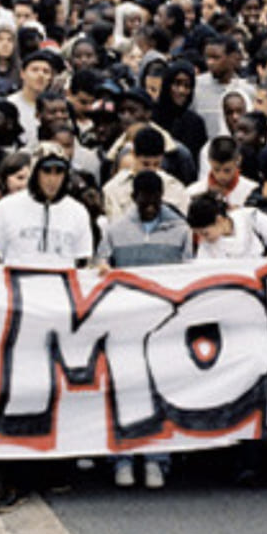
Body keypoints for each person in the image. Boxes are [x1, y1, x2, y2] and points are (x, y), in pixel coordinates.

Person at [95, 170, 194, 490]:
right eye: (143, 200)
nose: (149, 206)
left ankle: (156, 459)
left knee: (159, 391)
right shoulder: (116, 230)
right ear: (133, 198)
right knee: (124, 391)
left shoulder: (180, 231)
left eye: (154, 200)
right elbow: (100, 268)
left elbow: (190, 273)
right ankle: (123, 458)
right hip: (125, 323)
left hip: (164, 324)